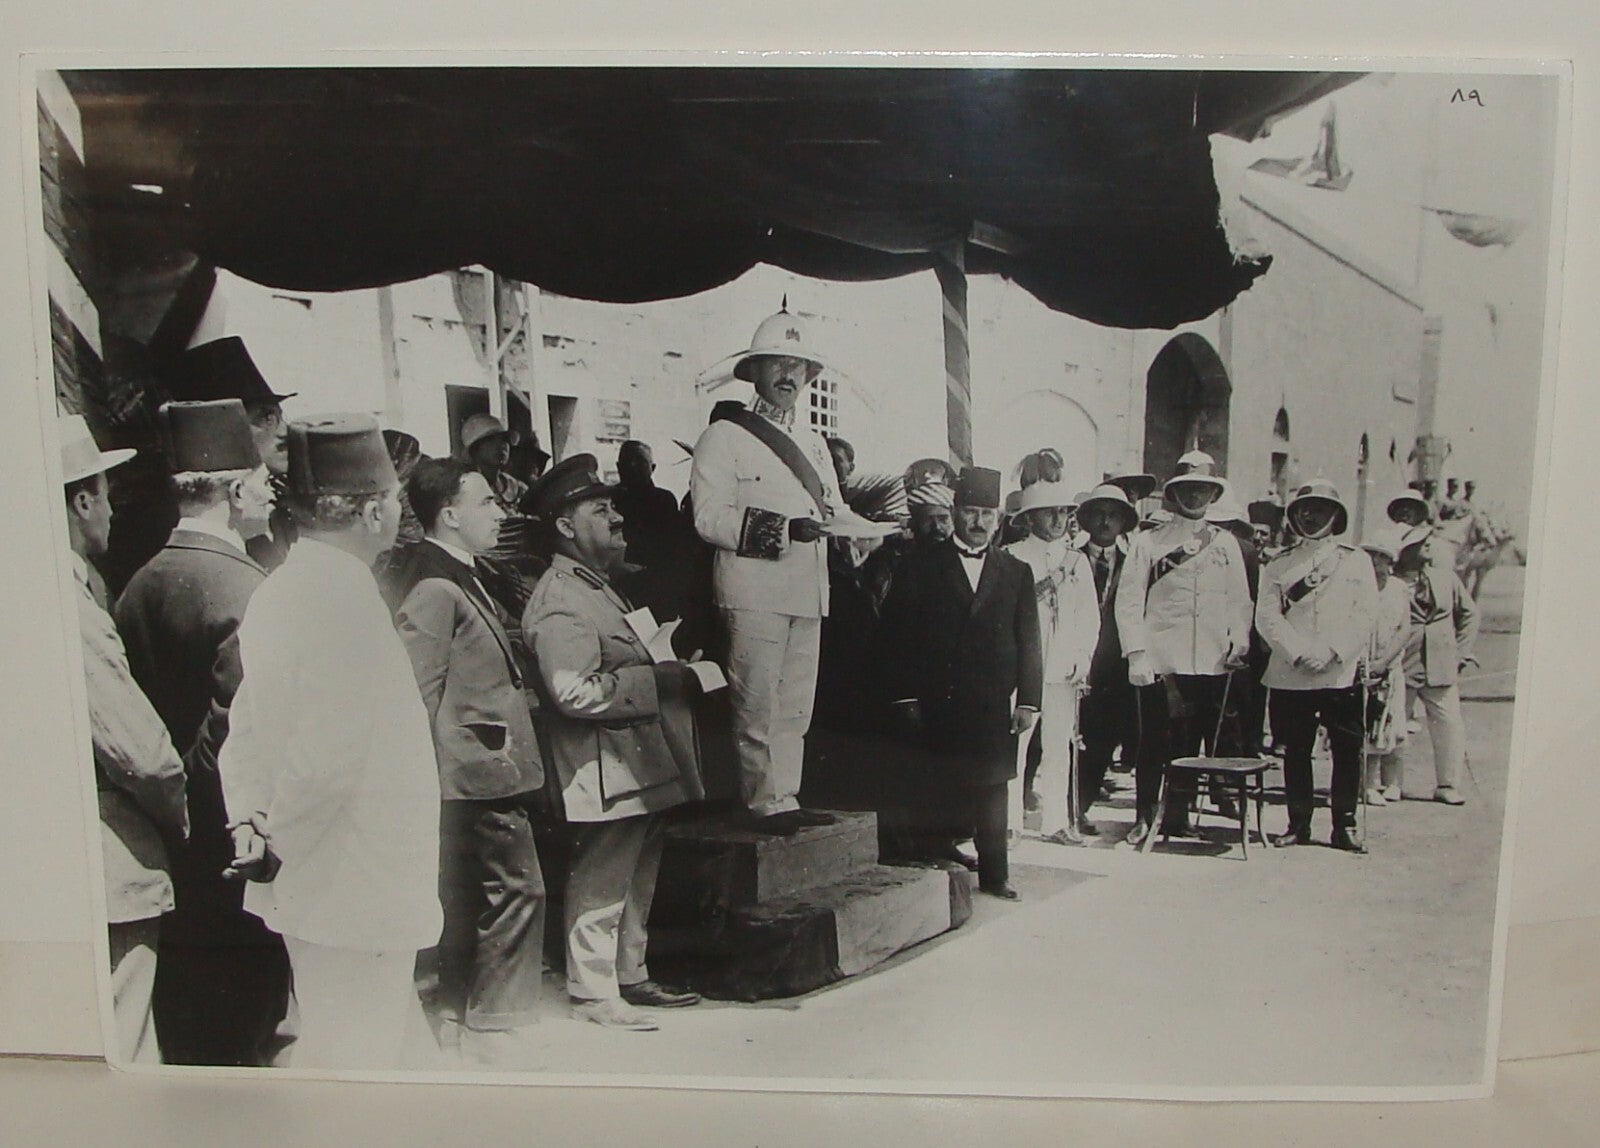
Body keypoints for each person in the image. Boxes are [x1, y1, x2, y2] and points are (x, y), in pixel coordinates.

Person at [218, 415, 441, 1069]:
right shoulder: (341, 601)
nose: (402, 512)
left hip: (326, 886)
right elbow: (327, 760)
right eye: (397, 500)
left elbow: (245, 731)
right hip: (351, 886)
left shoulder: (283, 589)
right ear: (373, 513)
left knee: (398, 1063)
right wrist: (276, 837)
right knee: (358, 1077)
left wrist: (250, 823)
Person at [113, 399, 290, 1066]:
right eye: (265, 482)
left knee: (187, 1019)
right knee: (245, 1021)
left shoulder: (138, 584)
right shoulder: (246, 587)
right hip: (233, 841)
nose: (271, 495)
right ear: (238, 488)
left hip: (167, 840)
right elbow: (238, 721)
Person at [522, 454, 704, 1031]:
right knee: (603, 877)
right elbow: (572, 692)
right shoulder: (561, 598)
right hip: (601, 767)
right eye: (600, 509)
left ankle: (630, 974)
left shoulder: (595, 588)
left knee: (635, 872)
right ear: (565, 526)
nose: (616, 516)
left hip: (630, 763)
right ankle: (594, 992)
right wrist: (660, 679)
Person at [390, 458, 548, 1063]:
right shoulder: (435, 583)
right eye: (487, 503)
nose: (501, 513)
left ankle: (464, 1018)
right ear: (450, 515)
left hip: (482, 769)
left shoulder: (464, 572)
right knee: (518, 889)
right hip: (470, 774)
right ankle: (495, 1024)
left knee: (482, 895)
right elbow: (416, 690)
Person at [62, 413, 190, 1065]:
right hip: (107, 864)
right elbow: (141, 753)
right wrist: (182, 817)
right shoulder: (68, 608)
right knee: (126, 1051)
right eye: (105, 493)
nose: (110, 510)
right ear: (82, 499)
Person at [689, 306, 846, 835]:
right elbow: (709, 518)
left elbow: (831, 511)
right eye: (776, 362)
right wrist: (782, 530)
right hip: (754, 591)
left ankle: (788, 796)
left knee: (796, 706)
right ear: (754, 371)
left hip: (808, 591)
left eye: (798, 366)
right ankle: (761, 802)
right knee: (756, 702)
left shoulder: (816, 444)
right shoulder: (724, 438)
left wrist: (864, 533)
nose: (787, 375)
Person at [879, 466, 1042, 899]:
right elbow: (898, 636)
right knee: (937, 784)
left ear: (999, 519)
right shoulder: (921, 566)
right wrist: (905, 695)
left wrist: (1029, 700)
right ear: (954, 512)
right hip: (936, 698)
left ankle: (996, 875)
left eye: (987, 514)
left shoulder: (1016, 572)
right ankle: (936, 870)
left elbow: (1030, 642)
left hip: (992, 703)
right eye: (970, 512)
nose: (978, 522)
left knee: (992, 790)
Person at [1115, 451, 1253, 846]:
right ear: (1175, 493)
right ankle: (1144, 817)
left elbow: (1239, 601)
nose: (1195, 496)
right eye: (1187, 489)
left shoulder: (1226, 543)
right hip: (1161, 658)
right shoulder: (1149, 542)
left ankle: (1177, 815)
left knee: (1191, 741)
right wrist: (1136, 653)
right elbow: (1128, 602)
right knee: (1153, 741)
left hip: (1210, 658)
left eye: (1203, 489)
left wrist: (1237, 641)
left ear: (1213, 493)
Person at [1256, 482, 1379, 852]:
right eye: (1303, 510)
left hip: (1337, 671)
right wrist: (1296, 652)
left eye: (1321, 510)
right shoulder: (1279, 563)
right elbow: (1267, 615)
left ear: (1336, 516)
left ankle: (1344, 825)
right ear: (1292, 516)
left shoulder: (1355, 560)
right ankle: (1298, 823)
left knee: (1346, 750)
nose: (1311, 517)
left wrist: (1331, 651)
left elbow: (1365, 613)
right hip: (1291, 672)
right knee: (1295, 750)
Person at [1004, 474, 1098, 843]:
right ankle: (1008, 823)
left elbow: (1090, 617)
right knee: (1015, 746)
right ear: (1028, 518)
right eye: (1048, 513)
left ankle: (1056, 821)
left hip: (1063, 666)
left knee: (1060, 746)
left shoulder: (1076, 562)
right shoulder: (1011, 558)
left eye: (1063, 513)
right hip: (1020, 670)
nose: (1058, 521)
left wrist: (1082, 658)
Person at [171, 336, 299, 571]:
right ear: (220, 428)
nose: (285, 431)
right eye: (266, 417)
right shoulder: (195, 526)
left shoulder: (287, 512)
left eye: (281, 417)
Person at [1395, 523, 1479, 806]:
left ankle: (1448, 784)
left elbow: (1469, 614)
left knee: (1449, 724)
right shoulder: (1391, 583)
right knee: (1394, 724)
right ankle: (1391, 784)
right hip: (1402, 664)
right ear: (1405, 551)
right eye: (1420, 541)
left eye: (1428, 538)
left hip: (1442, 665)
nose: (1428, 543)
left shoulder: (1446, 578)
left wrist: (1461, 654)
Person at [1075, 483, 1141, 827]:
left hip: (1115, 665)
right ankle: (1058, 803)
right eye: (1098, 514)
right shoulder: (1071, 561)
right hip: (1074, 661)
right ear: (1086, 520)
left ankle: (1080, 807)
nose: (1105, 522)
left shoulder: (1133, 566)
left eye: (1113, 515)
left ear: (1123, 522)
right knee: (1065, 736)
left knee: (1103, 738)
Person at [612, 439, 694, 622]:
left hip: (657, 587)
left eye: (639, 461)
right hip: (620, 586)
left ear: (653, 467)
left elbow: (675, 551)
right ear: (618, 466)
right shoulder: (610, 500)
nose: (632, 466)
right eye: (627, 461)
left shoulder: (663, 500)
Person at [1360, 527, 1413, 805]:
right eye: (1369, 555)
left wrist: (1385, 661)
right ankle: (1366, 784)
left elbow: (1405, 627)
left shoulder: (1399, 589)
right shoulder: (1356, 586)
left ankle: (1392, 782)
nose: (1374, 562)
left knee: (1393, 726)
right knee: (1368, 728)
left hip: (1390, 667)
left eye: (1380, 557)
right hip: (1363, 667)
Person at [459, 413, 528, 514]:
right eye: (491, 440)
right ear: (475, 450)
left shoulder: (518, 488)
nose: (501, 445)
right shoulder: (464, 490)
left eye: (504, 439)